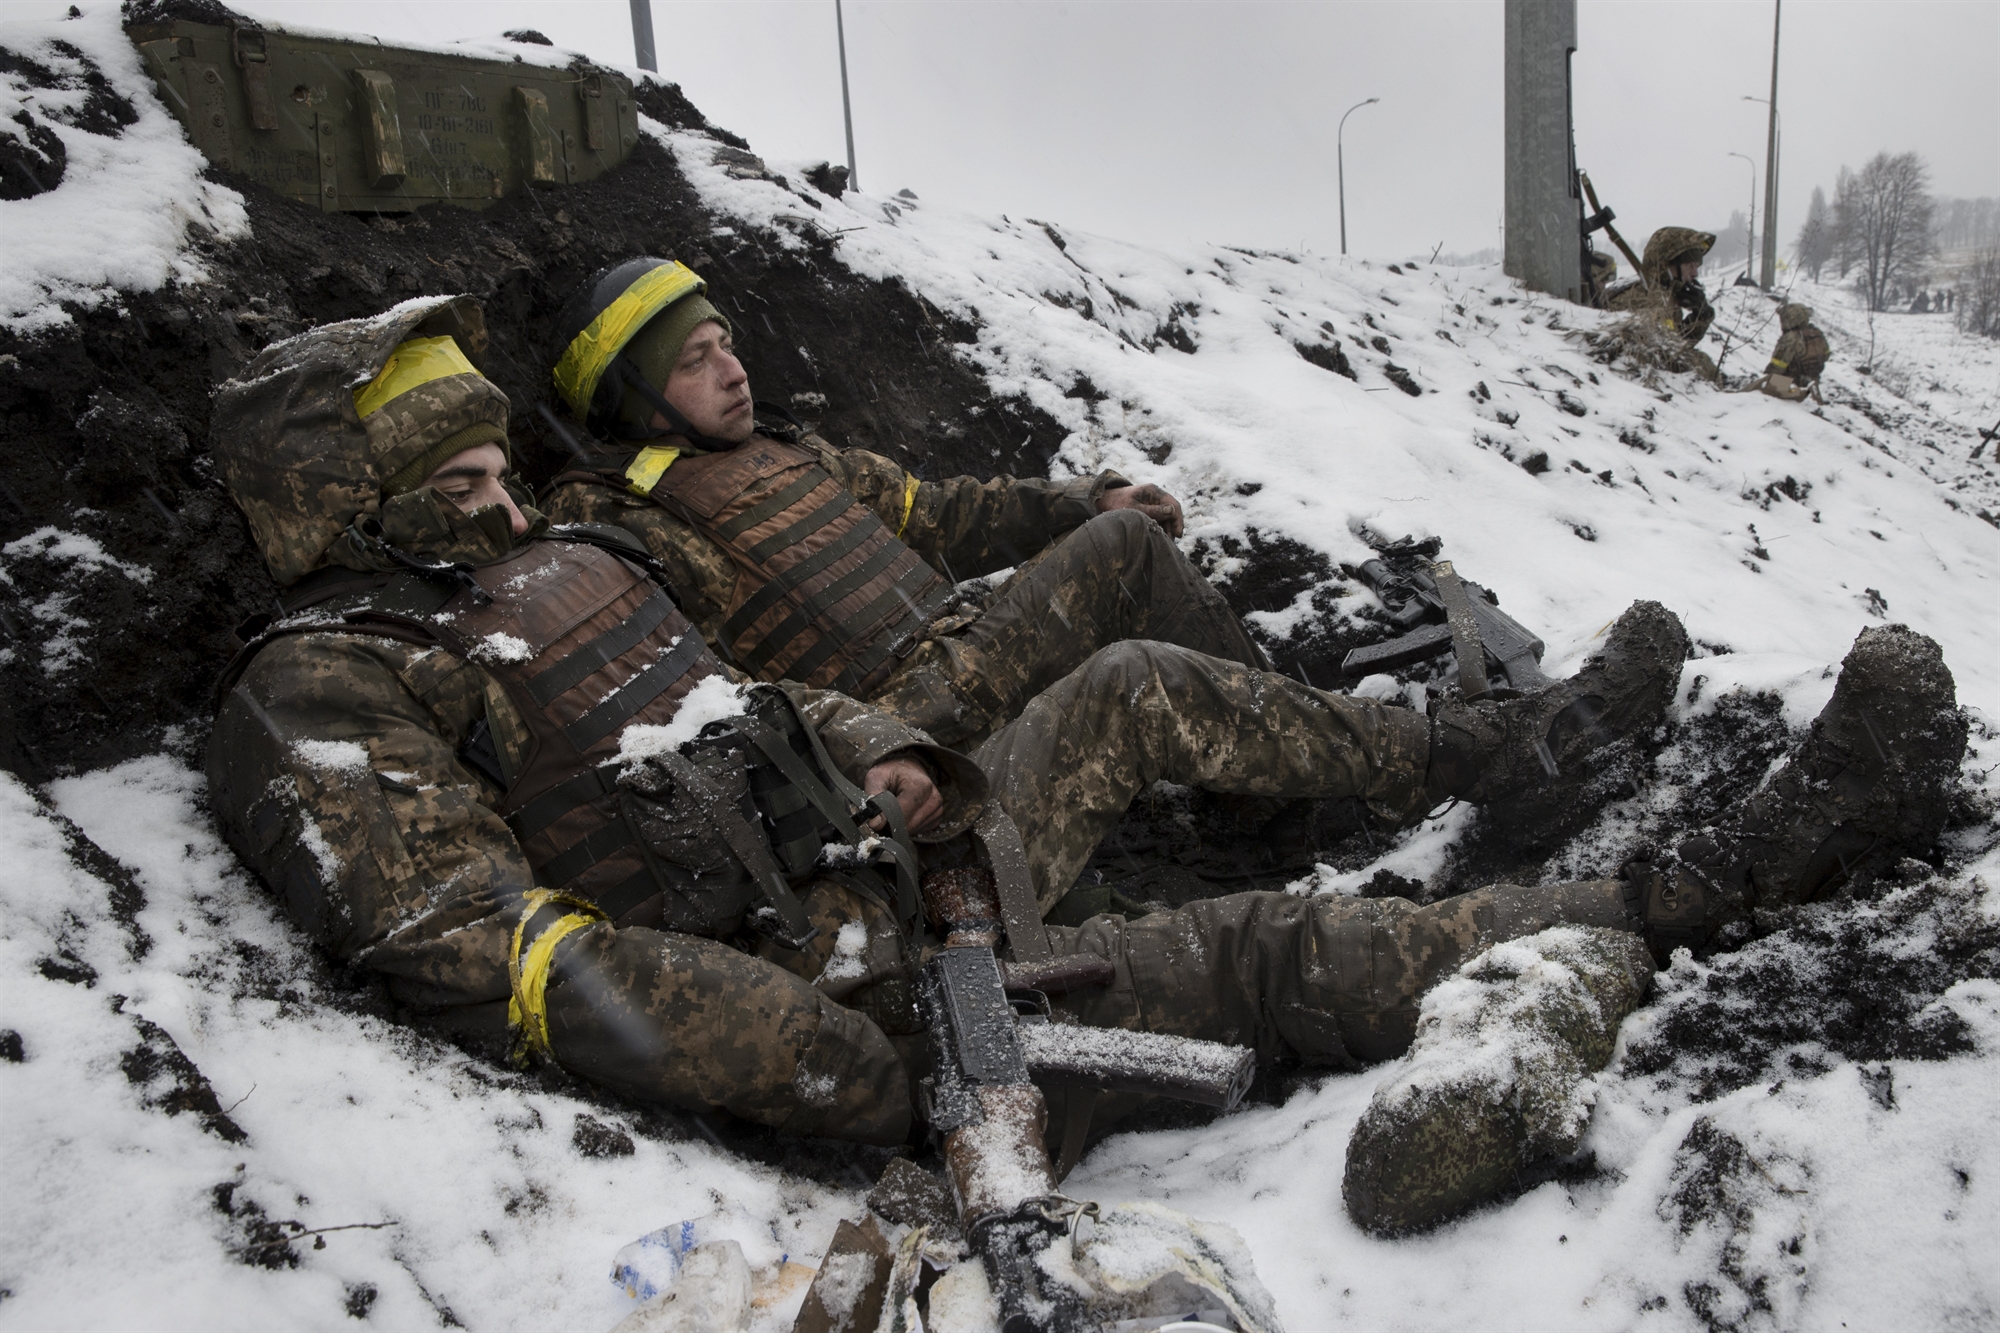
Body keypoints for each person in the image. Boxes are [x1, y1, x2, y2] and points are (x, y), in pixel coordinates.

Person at [203, 297, 1963, 1220]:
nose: (503, 502)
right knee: (1267, 950)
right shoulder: (336, 679)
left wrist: (897, 755)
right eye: (452, 489)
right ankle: (1689, 886)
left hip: (910, 889)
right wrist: (839, 1059)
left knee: (1125, 683)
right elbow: (485, 947)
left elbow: (764, 708)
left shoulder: (587, 559)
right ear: (337, 506)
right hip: (872, 1007)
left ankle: (1492, 749)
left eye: (497, 468)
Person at [535, 258, 1271, 751]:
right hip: (898, 718)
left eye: (724, 344)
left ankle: (1267, 755)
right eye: (695, 362)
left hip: (958, 649)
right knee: (1127, 551)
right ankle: (1276, 791)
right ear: (632, 400)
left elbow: (935, 512)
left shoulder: (784, 446)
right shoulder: (620, 515)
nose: (734, 372)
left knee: (1120, 538)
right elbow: (701, 697)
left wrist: (1091, 498)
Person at [1608, 227, 1719, 379]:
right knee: (1701, 364)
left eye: (1696, 266)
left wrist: (1701, 315)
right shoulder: (1640, 296)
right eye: (1690, 265)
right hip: (1633, 381)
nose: (1695, 273)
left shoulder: (1664, 295)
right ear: (1668, 264)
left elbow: (1677, 342)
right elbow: (1662, 354)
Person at [1759, 302, 1832, 402]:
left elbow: (1777, 366)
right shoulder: (1817, 333)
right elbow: (1826, 356)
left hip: (1791, 387)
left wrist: (1766, 380)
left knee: (1758, 392)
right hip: (1812, 387)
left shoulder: (1790, 338)